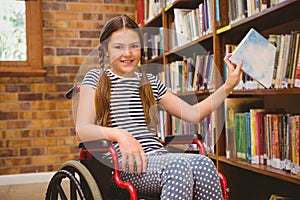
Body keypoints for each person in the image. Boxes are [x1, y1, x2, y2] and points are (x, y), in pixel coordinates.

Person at [76, 15, 242, 200]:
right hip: (124, 163)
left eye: (134, 46)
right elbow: (82, 129)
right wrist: (120, 135)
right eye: (118, 47)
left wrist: (228, 86)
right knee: (177, 167)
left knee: (204, 164)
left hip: (158, 156)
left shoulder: (149, 81)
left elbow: (193, 113)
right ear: (105, 50)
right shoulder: (95, 79)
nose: (128, 54)